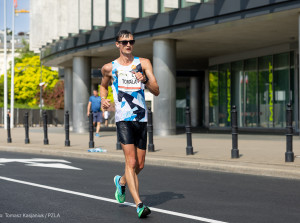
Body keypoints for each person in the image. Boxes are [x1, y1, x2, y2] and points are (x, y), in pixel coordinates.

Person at [100, 30, 159, 218]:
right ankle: (139, 204)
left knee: (140, 165)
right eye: (124, 42)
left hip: (141, 118)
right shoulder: (109, 68)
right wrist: (104, 99)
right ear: (117, 44)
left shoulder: (143, 63)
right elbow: (103, 86)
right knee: (131, 161)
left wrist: (146, 80)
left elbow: (156, 90)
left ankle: (121, 182)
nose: (128, 45)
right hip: (123, 118)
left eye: (131, 42)